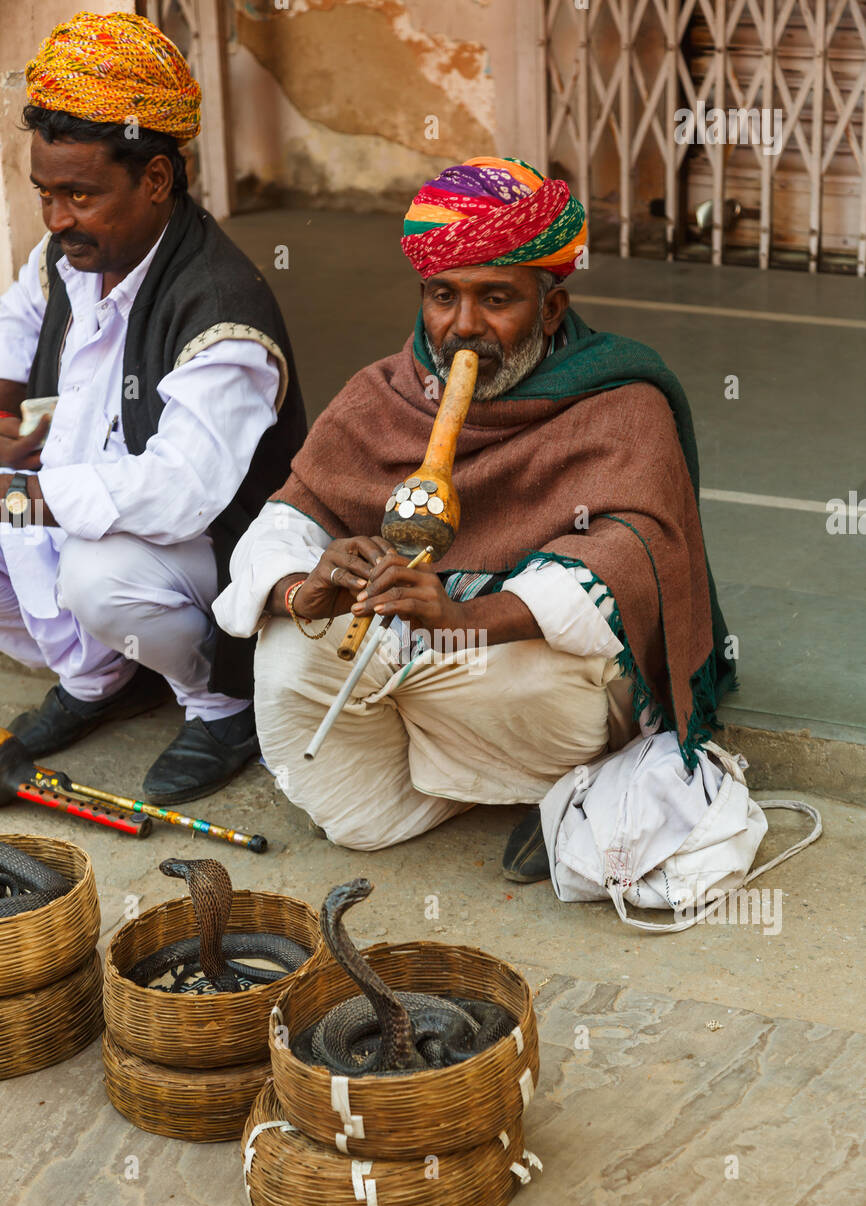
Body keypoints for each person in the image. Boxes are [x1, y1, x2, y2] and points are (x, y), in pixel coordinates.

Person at [215, 156, 734, 875]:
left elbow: (632, 552)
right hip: (415, 660)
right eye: (442, 296)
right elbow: (289, 516)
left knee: (532, 676)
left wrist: (466, 621)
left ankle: (548, 781)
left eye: (497, 299)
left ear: (550, 308)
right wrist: (307, 587)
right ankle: (471, 783)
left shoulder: (620, 402)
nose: (464, 328)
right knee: (289, 662)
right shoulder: (382, 394)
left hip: (507, 663)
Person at [0, 12, 306, 803]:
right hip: (96, 503)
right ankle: (103, 677)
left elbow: (180, 494)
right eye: (45, 194)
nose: (57, 218)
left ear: (157, 179)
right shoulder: (67, 256)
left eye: (79, 194)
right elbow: (11, 354)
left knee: (101, 582)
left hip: (217, 545)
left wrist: (25, 494)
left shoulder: (222, 308)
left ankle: (221, 704)